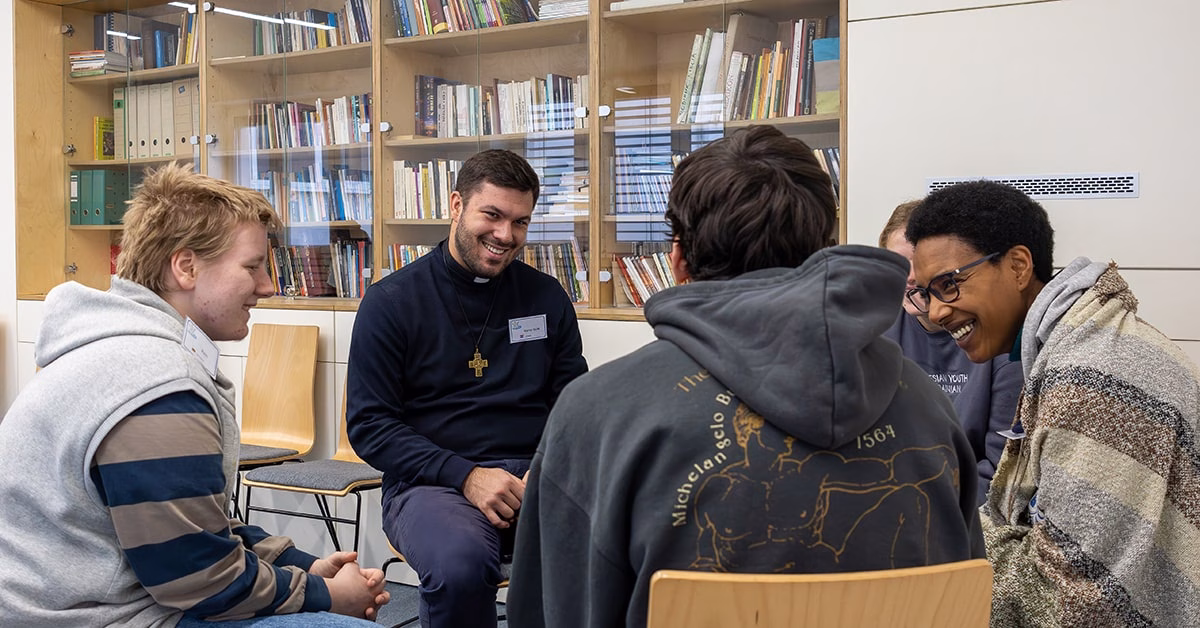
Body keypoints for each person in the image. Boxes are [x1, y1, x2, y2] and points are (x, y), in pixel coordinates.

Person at [507, 125, 984, 628]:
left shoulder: (595, 415)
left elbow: (552, 609)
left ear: (678, 259)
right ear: (823, 249)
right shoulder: (929, 407)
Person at [0, 162, 389, 627]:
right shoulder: (153, 380)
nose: (267, 286)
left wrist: (299, 566)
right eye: (251, 267)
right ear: (186, 267)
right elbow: (198, 578)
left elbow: (193, 522)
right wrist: (325, 597)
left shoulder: (128, 348)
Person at [905, 180, 1200, 627]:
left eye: (949, 284)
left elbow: (1077, 597)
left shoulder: (1094, 375)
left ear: (1019, 267)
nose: (936, 312)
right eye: (926, 293)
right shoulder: (1070, 346)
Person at [346, 149, 588, 628]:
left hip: (535, 478)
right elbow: (370, 427)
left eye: (520, 222)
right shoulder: (390, 303)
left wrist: (548, 470)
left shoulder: (546, 297)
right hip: (432, 483)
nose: (505, 235)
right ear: (456, 205)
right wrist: (467, 476)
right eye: (492, 215)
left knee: (620, 538)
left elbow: (574, 406)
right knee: (460, 566)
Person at [879, 200, 1022, 502]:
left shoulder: (1000, 340)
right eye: (897, 264)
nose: (911, 278)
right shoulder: (875, 333)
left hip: (968, 511)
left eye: (919, 265)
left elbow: (1002, 469)